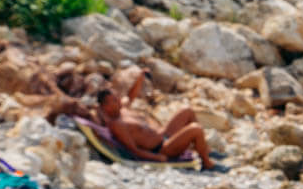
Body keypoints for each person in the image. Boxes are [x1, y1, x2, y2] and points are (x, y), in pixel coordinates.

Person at [55, 66, 213, 167]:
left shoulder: (122, 109)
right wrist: (157, 158)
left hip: (165, 135)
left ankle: (203, 149)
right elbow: (133, 150)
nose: (118, 101)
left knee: (187, 111)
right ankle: (207, 164)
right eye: (113, 101)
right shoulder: (116, 124)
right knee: (195, 129)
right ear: (105, 107)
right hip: (163, 148)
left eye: (116, 98)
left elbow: (130, 97)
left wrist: (140, 78)